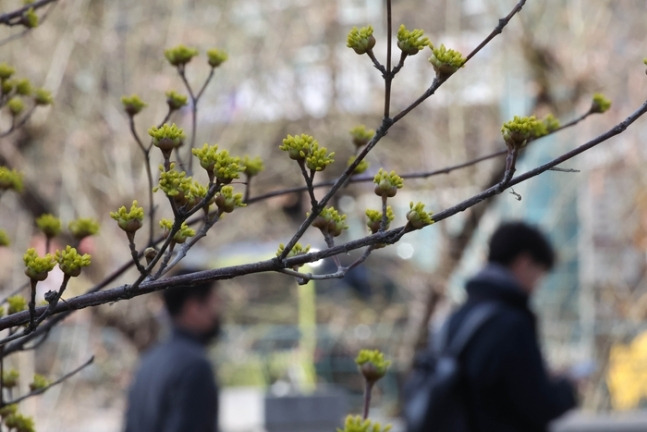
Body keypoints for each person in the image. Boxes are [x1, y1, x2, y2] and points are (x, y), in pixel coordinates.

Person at [444, 221, 577, 431]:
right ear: (524, 263)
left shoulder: (457, 318)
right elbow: (539, 405)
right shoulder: (511, 323)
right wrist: (568, 388)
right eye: (539, 274)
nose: (537, 286)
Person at [124, 269, 222, 432]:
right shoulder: (195, 366)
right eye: (215, 303)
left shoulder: (149, 359)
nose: (218, 313)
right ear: (194, 307)